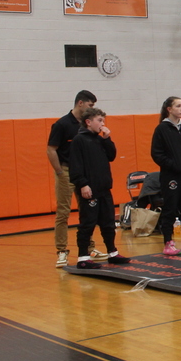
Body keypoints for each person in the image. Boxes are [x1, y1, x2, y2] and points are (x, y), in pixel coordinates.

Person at [47, 90, 104, 267]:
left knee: (87, 210)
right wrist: (59, 172)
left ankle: (89, 248)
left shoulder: (87, 124)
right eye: (90, 105)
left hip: (83, 172)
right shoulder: (62, 124)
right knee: (63, 211)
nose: (91, 108)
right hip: (66, 170)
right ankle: (61, 250)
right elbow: (51, 149)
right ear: (80, 103)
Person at [68, 107, 130, 269]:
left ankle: (112, 253)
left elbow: (111, 156)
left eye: (103, 120)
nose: (103, 124)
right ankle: (83, 257)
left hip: (104, 188)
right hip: (90, 189)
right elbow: (75, 166)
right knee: (87, 223)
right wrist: (83, 184)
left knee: (108, 222)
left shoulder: (99, 139)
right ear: (88, 122)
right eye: (99, 120)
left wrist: (107, 138)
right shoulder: (79, 140)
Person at [151, 96, 181, 255]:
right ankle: (168, 242)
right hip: (171, 176)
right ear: (169, 109)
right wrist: (173, 165)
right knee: (170, 208)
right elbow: (156, 154)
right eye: (178, 106)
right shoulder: (162, 129)